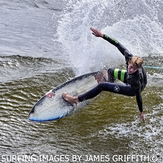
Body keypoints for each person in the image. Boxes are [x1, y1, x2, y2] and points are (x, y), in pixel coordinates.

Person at [62, 27, 147, 121]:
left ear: (138, 68)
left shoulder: (136, 81)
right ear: (129, 61)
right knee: (110, 71)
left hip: (132, 89)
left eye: (134, 69)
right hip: (129, 78)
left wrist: (141, 112)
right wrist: (102, 35)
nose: (130, 70)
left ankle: (76, 100)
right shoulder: (129, 57)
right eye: (130, 67)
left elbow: (138, 96)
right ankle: (110, 83)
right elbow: (117, 44)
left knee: (102, 85)